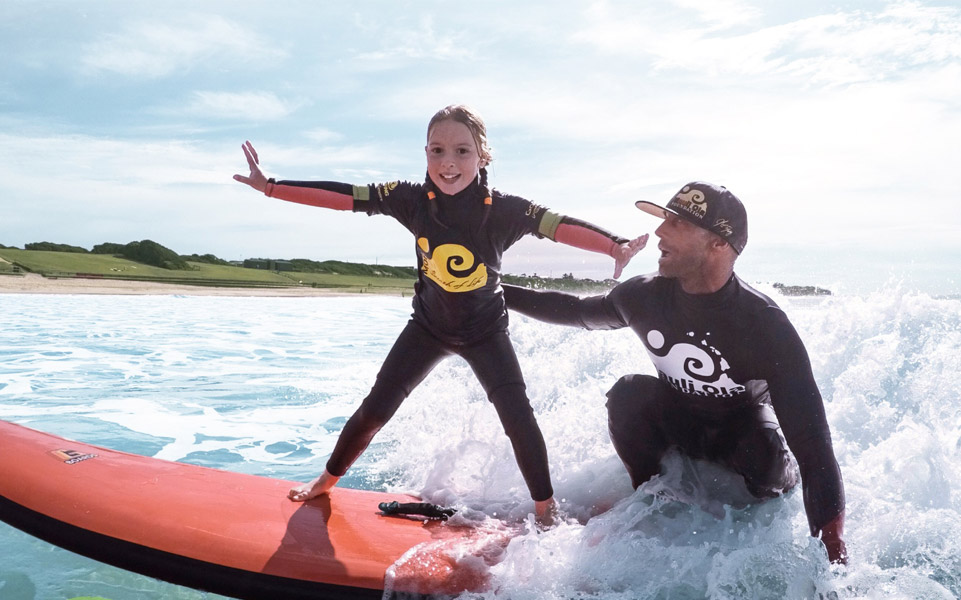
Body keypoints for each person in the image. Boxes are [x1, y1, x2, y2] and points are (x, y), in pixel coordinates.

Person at [233, 104, 647, 526]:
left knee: (518, 418)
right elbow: (347, 197)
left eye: (462, 151)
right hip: (428, 328)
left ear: (482, 156)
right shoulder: (410, 199)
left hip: (486, 331)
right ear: (425, 153)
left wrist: (614, 247)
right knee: (376, 409)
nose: (448, 163)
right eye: (437, 150)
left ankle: (545, 509)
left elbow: (556, 225)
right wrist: (271, 187)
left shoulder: (504, 210)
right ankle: (325, 480)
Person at [503, 181, 847, 562]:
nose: (659, 233)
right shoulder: (644, 296)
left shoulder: (764, 326)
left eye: (677, 224)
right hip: (681, 423)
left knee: (762, 455)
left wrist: (832, 551)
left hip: (742, 435)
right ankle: (649, 502)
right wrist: (492, 291)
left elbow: (814, 448)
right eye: (665, 219)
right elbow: (577, 312)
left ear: (719, 243)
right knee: (628, 394)